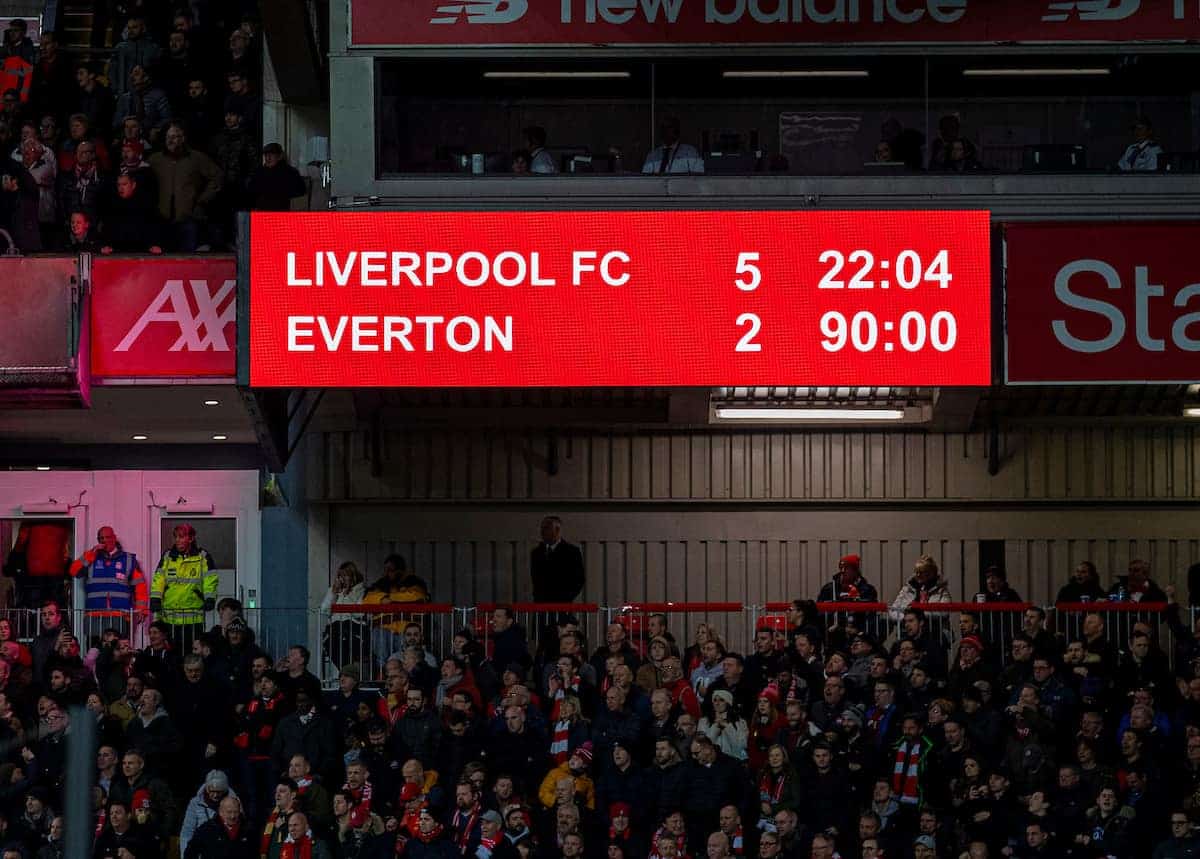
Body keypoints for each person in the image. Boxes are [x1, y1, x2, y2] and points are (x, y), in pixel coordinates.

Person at [149, 121, 223, 251]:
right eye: (168, 137)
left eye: (175, 137)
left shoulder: (196, 158)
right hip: (162, 220)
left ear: (183, 138)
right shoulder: (155, 160)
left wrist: (202, 199)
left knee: (188, 260)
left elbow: (217, 176)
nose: (171, 141)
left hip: (188, 219)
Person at [68, 526, 148, 640]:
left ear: (114, 538)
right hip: (94, 616)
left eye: (108, 537)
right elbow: (74, 571)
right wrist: (91, 553)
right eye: (101, 538)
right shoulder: (91, 557)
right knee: (94, 653)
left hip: (120, 615)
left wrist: (141, 610)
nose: (104, 541)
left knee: (120, 653)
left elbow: (140, 586)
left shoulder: (129, 559)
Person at [151, 522, 218, 653]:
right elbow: (159, 579)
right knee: (171, 655)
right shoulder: (168, 556)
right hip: (169, 617)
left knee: (192, 654)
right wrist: (155, 598)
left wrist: (210, 598)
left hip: (193, 618)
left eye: (181, 536)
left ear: (191, 538)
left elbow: (210, 579)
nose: (177, 540)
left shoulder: (202, 557)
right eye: (176, 537)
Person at [321, 562, 368, 669]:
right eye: (340, 576)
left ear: (353, 576)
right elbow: (324, 610)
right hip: (335, 627)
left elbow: (359, 613)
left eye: (345, 575)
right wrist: (334, 594)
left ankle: (347, 672)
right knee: (330, 643)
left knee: (346, 642)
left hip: (353, 627)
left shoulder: (361, 591)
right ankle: (346, 671)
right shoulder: (333, 590)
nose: (342, 579)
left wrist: (347, 595)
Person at [530, 517, 585, 604]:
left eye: (546, 528)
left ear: (557, 530)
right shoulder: (536, 553)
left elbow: (579, 579)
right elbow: (535, 579)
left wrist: (565, 598)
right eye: (542, 528)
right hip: (540, 605)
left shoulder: (572, 552)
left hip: (562, 605)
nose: (542, 531)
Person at [184, 794, 257, 858]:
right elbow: (190, 852)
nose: (232, 816)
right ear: (220, 812)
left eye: (236, 812)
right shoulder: (207, 829)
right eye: (229, 812)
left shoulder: (248, 830)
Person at [246, 142, 307, 210]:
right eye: (266, 155)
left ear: (279, 156)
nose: (268, 158)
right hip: (262, 213)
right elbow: (251, 191)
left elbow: (300, 191)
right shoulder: (259, 172)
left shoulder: (290, 172)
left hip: (281, 213)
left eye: (271, 155)